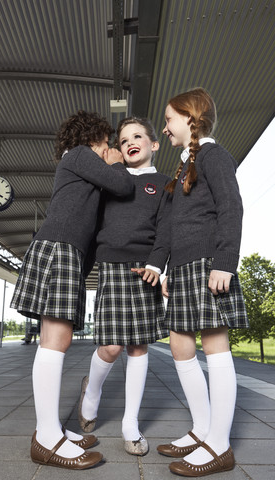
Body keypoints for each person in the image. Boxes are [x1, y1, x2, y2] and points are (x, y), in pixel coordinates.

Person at [10, 110, 134, 470]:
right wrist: (115, 163)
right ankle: (47, 438)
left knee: (53, 339)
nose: (111, 148)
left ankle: (51, 431)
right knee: (56, 340)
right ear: (93, 138)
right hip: (59, 247)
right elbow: (123, 186)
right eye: (108, 142)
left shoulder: (82, 169)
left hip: (67, 251)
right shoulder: (80, 155)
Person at [157, 88, 249, 477]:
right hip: (181, 268)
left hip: (209, 264)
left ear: (190, 118)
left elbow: (231, 207)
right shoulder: (182, 167)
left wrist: (225, 262)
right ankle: (201, 429)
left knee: (214, 346)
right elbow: (172, 226)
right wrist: (165, 269)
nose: (164, 129)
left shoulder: (214, 155)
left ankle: (220, 444)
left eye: (168, 120)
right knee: (179, 345)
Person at [78, 117, 171, 456]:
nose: (130, 142)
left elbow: (165, 232)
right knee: (112, 347)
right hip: (112, 269)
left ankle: (130, 424)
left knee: (138, 348)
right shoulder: (109, 178)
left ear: (153, 144)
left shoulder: (164, 184)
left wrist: (157, 266)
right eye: (123, 139)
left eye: (137, 136)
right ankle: (91, 392)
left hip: (144, 270)